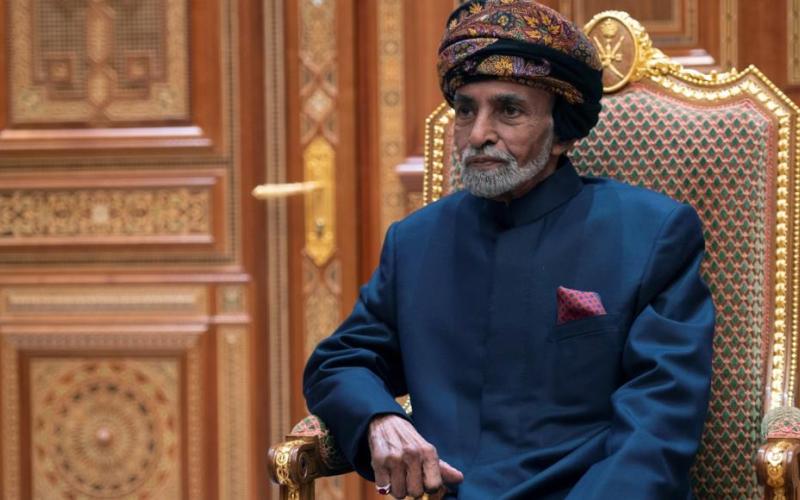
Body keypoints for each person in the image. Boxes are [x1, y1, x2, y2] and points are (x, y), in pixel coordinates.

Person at [303, 1, 715, 499]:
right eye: (465, 111)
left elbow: (659, 425)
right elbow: (339, 362)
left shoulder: (651, 234)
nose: (478, 135)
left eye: (509, 111)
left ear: (562, 132)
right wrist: (379, 419)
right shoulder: (414, 242)